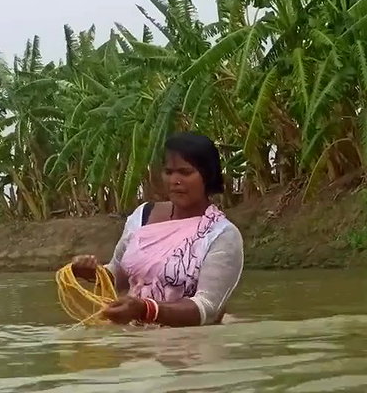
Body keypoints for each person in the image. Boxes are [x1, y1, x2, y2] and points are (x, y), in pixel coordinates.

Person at [70, 132, 244, 327]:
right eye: (169, 172)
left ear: (208, 176)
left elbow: (207, 308)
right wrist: (90, 273)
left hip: (188, 350)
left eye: (185, 172)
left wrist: (146, 309)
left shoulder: (222, 235)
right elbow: (117, 276)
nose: (175, 180)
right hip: (133, 343)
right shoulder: (143, 215)